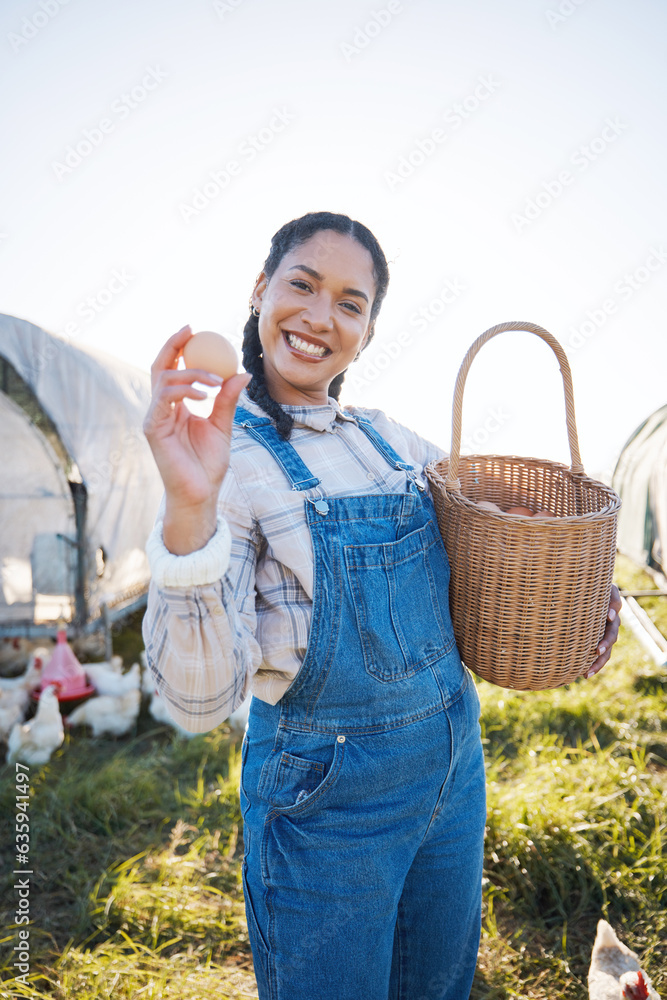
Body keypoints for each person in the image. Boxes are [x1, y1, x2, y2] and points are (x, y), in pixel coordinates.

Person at [141, 211, 622, 1000]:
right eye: (301, 284)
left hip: (451, 770)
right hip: (330, 799)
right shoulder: (224, 458)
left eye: (350, 302)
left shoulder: (389, 442)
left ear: (365, 329)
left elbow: (506, 525)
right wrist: (190, 507)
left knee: (436, 988)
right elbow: (197, 705)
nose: (319, 316)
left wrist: (581, 579)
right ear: (260, 290)